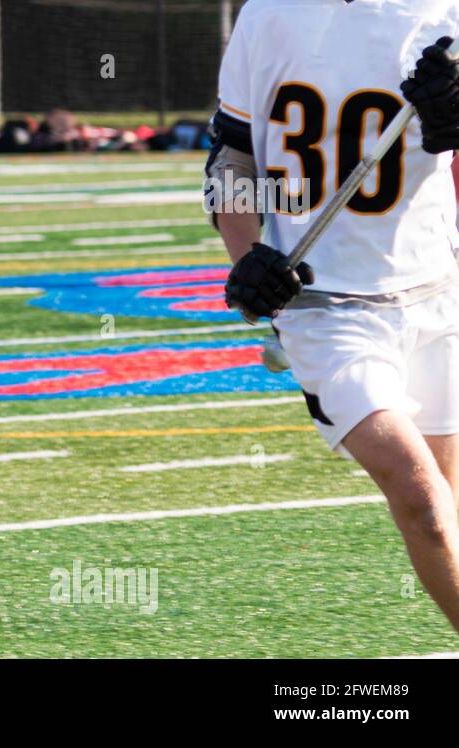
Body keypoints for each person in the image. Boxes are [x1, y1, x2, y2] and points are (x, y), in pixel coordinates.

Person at [207, 0, 459, 632]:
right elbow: (232, 156)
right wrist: (249, 257)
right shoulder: (267, 16)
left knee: (451, 509)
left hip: (435, 288)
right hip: (323, 304)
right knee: (423, 501)